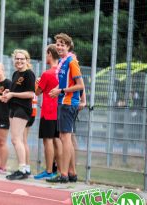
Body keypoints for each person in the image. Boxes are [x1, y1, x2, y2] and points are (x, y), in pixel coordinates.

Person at [47, 33, 85, 183]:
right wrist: (57, 89)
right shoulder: (63, 61)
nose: (59, 46)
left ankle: (63, 174)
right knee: (65, 138)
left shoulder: (71, 61)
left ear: (68, 46)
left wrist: (61, 92)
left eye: (63, 44)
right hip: (63, 102)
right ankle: (72, 173)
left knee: (65, 139)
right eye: (58, 44)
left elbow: (80, 85)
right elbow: (65, 83)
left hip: (68, 103)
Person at [2, 49, 36, 180]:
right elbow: (14, 91)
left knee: (16, 139)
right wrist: (7, 92)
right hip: (13, 108)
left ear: (27, 61)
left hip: (23, 109)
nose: (19, 61)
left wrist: (13, 94)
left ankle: (22, 169)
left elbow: (30, 93)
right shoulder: (16, 73)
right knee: (18, 139)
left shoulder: (29, 74)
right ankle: (25, 168)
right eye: (17, 59)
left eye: (22, 59)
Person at [33, 44, 62, 180]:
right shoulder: (62, 71)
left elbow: (37, 92)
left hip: (49, 111)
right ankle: (61, 170)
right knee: (58, 140)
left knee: (48, 141)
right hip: (60, 110)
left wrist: (37, 82)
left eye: (46, 54)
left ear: (50, 54)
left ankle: (49, 170)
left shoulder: (47, 73)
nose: (46, 56)